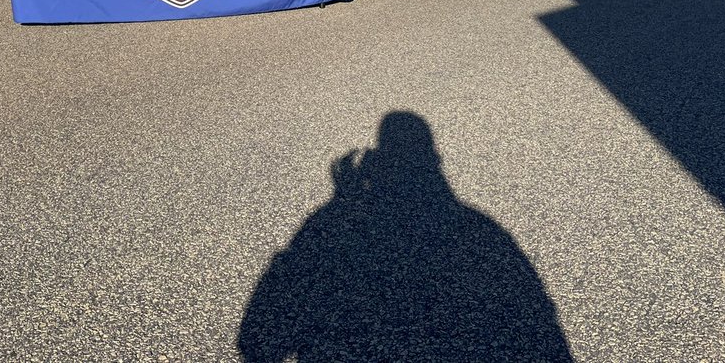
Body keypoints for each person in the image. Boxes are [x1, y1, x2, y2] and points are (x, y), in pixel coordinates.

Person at [237, 111, 572, 362]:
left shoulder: (331, 218)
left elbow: (263, 325)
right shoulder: (481, 227)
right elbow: (534, 311)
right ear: (434, 157)